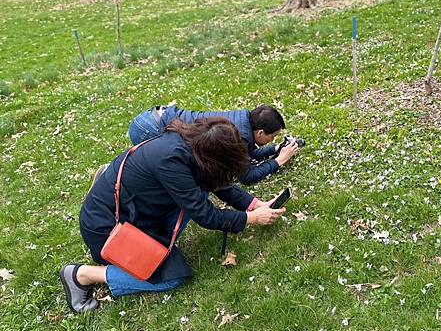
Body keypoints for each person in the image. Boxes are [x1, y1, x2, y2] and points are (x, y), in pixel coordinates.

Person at [61, 117, 285, 313]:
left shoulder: (192, 144)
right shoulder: (171, 162)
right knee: (171, 277)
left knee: (195, 193)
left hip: (134, 213)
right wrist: (251, 219)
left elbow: (212, 181)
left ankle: (115, 187)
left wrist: (254, 205)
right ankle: (82, 275)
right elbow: (205, 216)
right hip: (108, 231)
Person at [127, 104, 300, 185]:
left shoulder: (244, 121)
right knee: (159, 177)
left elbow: (245, 155)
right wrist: (279, 161)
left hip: (154, 117)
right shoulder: (240, 135)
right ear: (260, 133)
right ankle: (118, 176)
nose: (273, 139)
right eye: (273, 137)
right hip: (151, 128)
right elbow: (247, 176)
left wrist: (275, 150)